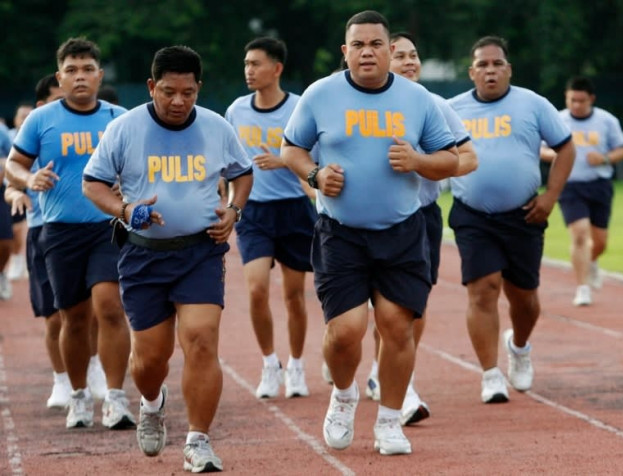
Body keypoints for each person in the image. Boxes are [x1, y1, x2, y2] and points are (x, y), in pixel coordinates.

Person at [281, 10, 458, 455]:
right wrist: (316, 175)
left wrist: (417, 161)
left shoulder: (418, 99)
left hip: (402, 230)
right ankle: (343, 396)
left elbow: (451, 159)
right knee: (345, 331)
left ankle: (389, 421)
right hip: (341, 233)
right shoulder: (321, 95)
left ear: (388, 50)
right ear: (345, 52)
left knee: (398, 329)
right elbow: (291, 148)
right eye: (357, 45)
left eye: (375, 44)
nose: (366, 52)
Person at [83, 45, 253, 473]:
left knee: (200, 340)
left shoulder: (216, 127)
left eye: (189, 93)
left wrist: (233, 211)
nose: (179, 102)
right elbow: (93, 184)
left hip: (200, 251)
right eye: (169, 92)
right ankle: (152, 402)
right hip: (143, 256)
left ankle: (198, 441)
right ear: (151, 86)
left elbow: (242, 172)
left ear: (199, 89)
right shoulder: (125, 129)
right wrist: (125, 210)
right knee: (149, 360)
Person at [5, 37, 134, 430]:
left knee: (110, 307)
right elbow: (13, 165)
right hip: (60, 231)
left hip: (108, 227)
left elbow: (141, 164)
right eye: (72, 71)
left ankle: (114, 397)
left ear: (99, 75)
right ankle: (78, 394)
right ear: (60, 77)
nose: (80, 77)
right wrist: (30, 177)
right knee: (72, 318)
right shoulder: (41, 120)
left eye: (87, 70)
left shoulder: (119, 117)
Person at [447, 36, 575, 404]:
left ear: (508, 69)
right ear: (471, 72)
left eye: (497, 64)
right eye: (482, 65)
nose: (490, 71)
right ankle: (490, 374)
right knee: (483, 288)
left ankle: (518, 346)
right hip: (473, 215)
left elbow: (566, 147)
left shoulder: (532, 104)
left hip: (524, 216)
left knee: (525, 299)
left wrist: (550, 197)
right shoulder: (452, 110)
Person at [360, 31, 478, 425]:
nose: (409, 62)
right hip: (362, 222)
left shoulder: (434, 104)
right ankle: (391, 382)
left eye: (414, 55)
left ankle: (388, 375)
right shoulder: (360, 104)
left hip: (421, 217)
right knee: (374, 309)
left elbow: (469, 159)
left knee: (410, 308)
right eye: (400, 55)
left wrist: (423, 162)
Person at [3, 73, 108, 408]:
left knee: (95, 310)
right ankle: (61, 379)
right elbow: (11, 179)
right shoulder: (36, 131)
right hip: (43, 230)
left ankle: (93, 369)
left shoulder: (98, 122)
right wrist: (17, 192)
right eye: (53, 97)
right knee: (55, 316)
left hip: (91, 227)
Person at [225, 37, 316, 400]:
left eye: (256, 64)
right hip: (255, 210)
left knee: (294, 296)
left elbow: (311, 158)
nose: (248, 70)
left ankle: (295, 365)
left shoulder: (299, 108)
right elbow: (229, 162)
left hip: (294, 208)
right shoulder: (236, 110)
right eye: (246, 63)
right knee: (257, 288)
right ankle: (269, 363)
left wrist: (284, 160)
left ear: (277, 69)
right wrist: (224, 199)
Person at [541, 76, 623, 306]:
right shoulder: (558, 120)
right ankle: (582, 288)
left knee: (599, 242)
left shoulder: (606, 121)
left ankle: (591, 262)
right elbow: (542, 150)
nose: (576, 105)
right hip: (569, 185)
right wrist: (558, 155)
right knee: (579, 234)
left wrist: (605, 158)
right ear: (566, 98)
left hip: (599, 185)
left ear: (591, 99)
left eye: (581, 101)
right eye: (572, 100)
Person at [6, 102, 34, 281]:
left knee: (19, 227)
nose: (24, 119)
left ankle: (19, 260)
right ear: (15, 119)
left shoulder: (36, 134)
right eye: (21, 116)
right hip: (10, 187)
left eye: (27, 116)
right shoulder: (8, 136)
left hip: (31, 186)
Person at [0, 124, 13, 299]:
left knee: (5, 239)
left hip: (1, 189)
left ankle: (1, 272)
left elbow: (14, 158)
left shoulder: (2, 131)